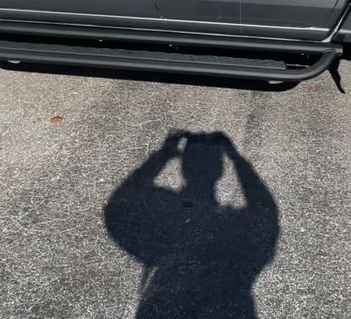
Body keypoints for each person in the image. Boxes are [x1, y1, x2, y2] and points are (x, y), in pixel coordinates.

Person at [104, 131, 279, 319]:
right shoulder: (233, 230)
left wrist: (163, 155)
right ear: (220, 170)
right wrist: (237, 159)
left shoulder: (163, 223)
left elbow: (120, 204)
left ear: (185, 168)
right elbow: (265, 210)